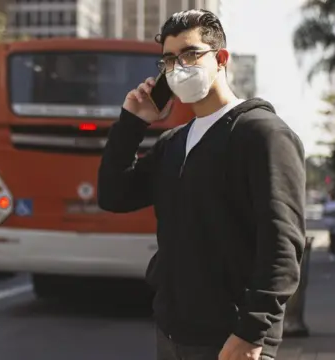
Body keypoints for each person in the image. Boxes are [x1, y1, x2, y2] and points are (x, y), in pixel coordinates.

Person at [97, 9, 306, 360]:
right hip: (173, 332)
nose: (179, 67)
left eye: (190, 54)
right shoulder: (174, 142)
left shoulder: (264, 134)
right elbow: (113, 195)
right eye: (169, 59)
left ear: (221, 58)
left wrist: (253, 332)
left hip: (231, 340)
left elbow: (282, 244)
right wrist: (132, 123)